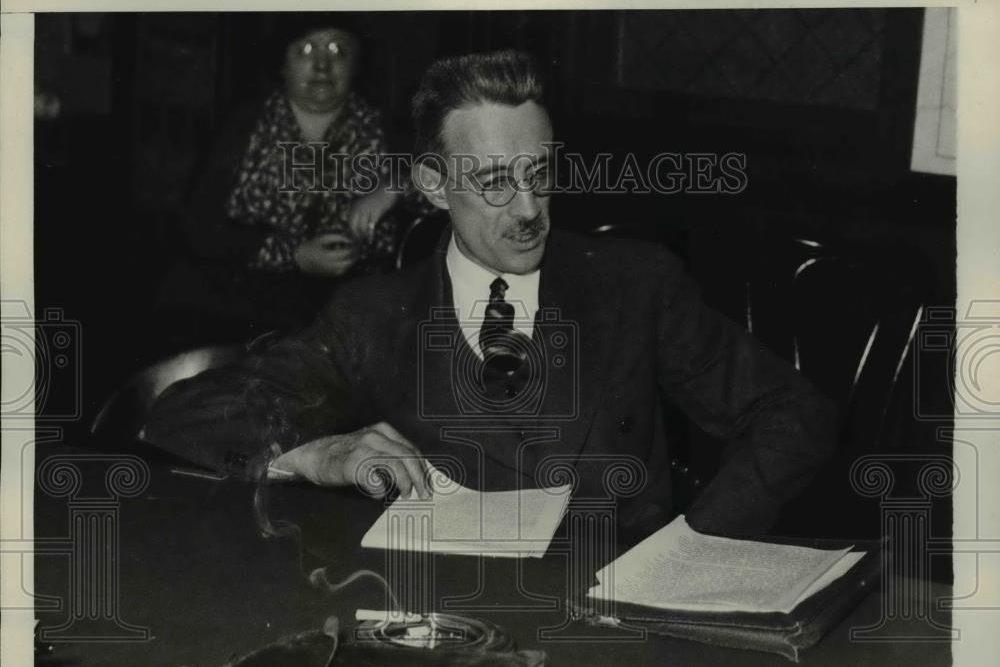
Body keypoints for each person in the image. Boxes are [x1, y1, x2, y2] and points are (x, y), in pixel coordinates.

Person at [143, 49, 838, 540]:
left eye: (540, 173)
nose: (529, 208)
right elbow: (186, 416)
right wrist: (320, 453)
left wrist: (698, 542)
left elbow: (793, 410)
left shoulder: (634, 284)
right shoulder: (374, 315)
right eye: (495, 182)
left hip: (620, 626)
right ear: (433, 186)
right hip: (442, 625)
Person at [155, 14, 404, 342]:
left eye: (337, 51)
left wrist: (397, 185)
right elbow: (197, 225)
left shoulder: (380, 126)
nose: (322, 66)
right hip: (233, 311)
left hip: (343, 318)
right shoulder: (245, 124)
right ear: (282, 64)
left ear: (357, 65)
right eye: (305, 51)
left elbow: (448, 183)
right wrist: (294, 255)